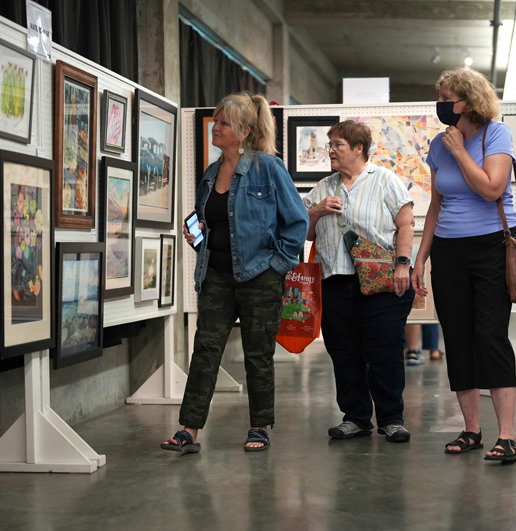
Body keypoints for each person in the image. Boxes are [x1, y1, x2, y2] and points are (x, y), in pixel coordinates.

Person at [162, 93, 308, 453]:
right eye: (216, 121)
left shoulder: (268, 168)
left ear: (243, 131)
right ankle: (189, 430)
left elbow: (297, 222)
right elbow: (211, 224)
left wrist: (275, 267)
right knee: (205, 350)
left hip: (259, 277)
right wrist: (197, 237)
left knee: (257, 355)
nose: (216, 128)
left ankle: (259, 426)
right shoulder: (211, 173)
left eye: (224, 123)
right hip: (216, 276)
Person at [411, 67, 516, 463]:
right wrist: (420, 259)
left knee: (490, 335)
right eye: (439, 97)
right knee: (456, 336)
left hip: (491, 246)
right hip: (448, 250)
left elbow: (492, 187)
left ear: (470, 100)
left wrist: (460, 150)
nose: (441, 105)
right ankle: (472, 429)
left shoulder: (497, 134)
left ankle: (507, 436)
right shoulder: (437, 145)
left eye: (447, 99)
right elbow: (435, 207)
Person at [304, 120, 416, 443]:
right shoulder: (323, 188)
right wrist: (317, 211)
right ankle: (355, 417)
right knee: (344, 352)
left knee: (385, 351)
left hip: (379, 284)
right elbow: (306, 234)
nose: (331, 151)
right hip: (335, 282)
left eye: (338, 145)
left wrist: (403, 264)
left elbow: (406, 223)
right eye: (330, 145)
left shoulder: (384, 180)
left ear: (358, 149)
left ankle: (391, 417)